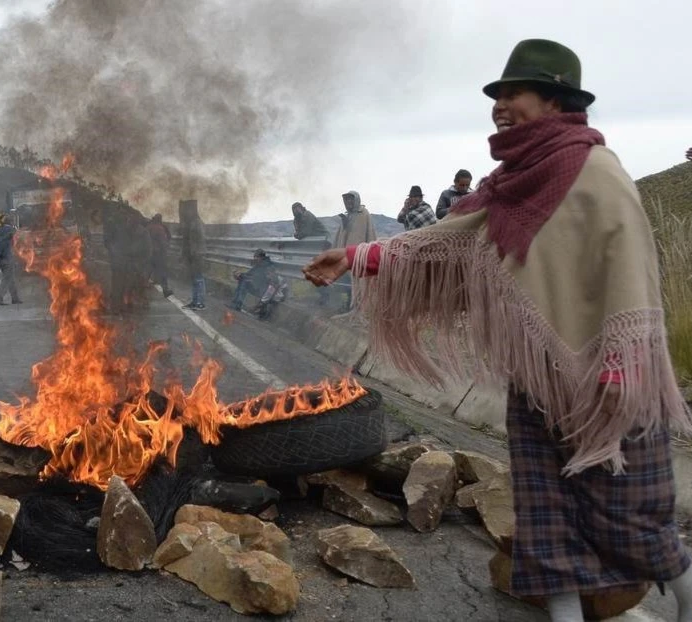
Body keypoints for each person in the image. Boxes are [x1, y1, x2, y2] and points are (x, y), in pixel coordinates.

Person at [303, 39, 692, 622]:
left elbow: (631, 263)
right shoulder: (508, 183)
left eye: (515, 93)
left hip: (609, 383)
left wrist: (623, 359)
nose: (501, 105)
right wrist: (358, 256)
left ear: (556, 100)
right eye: (498, 95)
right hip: (538, 380)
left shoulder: (598, 172)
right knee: (546, 521)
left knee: (635, 521)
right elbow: (445, 243)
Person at [331, 190, 377, 312]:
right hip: (347, 255)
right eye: (346, 200)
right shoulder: (347, 215)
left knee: (359, 281)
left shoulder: (364, 214)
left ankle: (359, 306)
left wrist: (370, 252)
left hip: (359, 255)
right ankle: (350, 304)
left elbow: (369, 233)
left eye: (351, 199)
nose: (348, 202)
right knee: (347, 281)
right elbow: (341, 236)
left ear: (356, 199)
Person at [179, 199, 206, 310]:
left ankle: (200, 303)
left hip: (197, 254)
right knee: (194, 278)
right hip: (193, 254)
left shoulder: (197, 222)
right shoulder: (191, 222)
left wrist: (195, 253)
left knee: (198, 278)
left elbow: (199, 239)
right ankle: (195, 301)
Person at [0, 214, 22, 305]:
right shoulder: (9, 230)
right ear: (10, 222)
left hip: (1, 258)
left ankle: (15, 298)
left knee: (10, 278)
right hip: (7, 257)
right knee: (7, 278)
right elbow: (19, 236)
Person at [147, 213, 173, 297]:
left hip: (148, 253)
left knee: (146, 272)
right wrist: (165, 252)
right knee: (162, 272)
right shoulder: (160, 228)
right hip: (158, 254)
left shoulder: (148, 227)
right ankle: (165, 290)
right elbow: (163, 242)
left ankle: (138, 290)